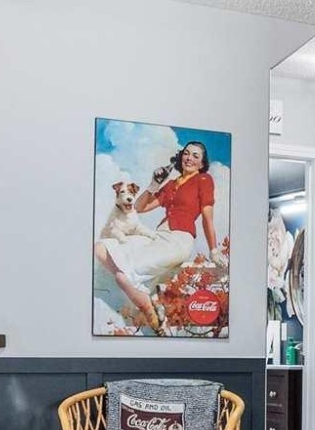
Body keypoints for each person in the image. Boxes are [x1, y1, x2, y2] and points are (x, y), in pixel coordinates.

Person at [93, 140, 224, 333]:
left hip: (178, 241)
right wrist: (154, 184)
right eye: (186, 153)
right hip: (158, 236)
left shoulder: (203, 180)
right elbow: (139, 207)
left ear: (202, 164)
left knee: (123, 277)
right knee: (100, 248)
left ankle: (149, 311)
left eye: (196, 156)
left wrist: (213, 250)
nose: (189, 158)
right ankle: (149, 300)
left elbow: (207, 217)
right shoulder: (171, 184)